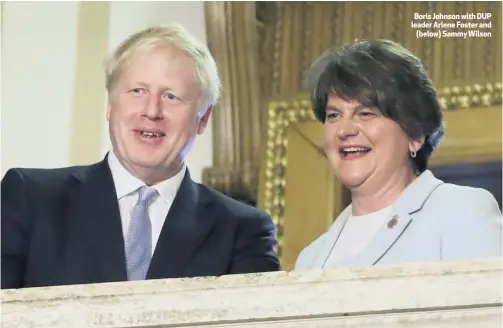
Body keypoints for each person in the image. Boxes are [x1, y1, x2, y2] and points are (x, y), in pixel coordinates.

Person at [1, 25, 279, 289]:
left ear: (203, 119)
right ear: (111, 105)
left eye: (171, 97)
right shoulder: (30, 199)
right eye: (137, 91)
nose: (151, 111)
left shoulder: (243, 231)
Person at [295, 39, 502, 270]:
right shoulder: (310, 259)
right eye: (333, 115)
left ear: (415, 135)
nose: (344, 130)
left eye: (365, 113)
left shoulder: (460, 212)